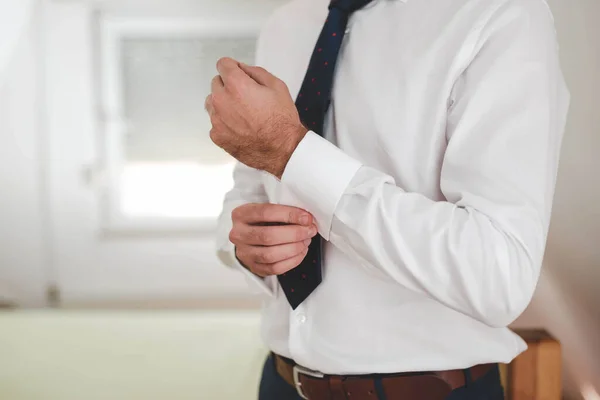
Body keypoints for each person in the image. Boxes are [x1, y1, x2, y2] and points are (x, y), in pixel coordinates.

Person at [207, 0, 570, 398]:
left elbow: (498, 277)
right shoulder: (287, 22)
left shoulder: (498, 14)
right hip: (280, 382)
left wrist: (293, 151)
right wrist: (244, 245)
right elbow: (249, 190)